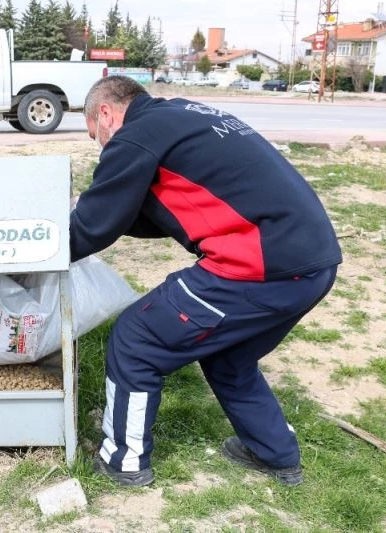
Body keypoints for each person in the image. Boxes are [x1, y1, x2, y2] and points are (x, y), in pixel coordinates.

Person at [69, 76, 342, 487]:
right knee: (227, 354)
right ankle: (275, 455)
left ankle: (123, 463)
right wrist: (102, 216)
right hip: (314, 264)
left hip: (259, 267)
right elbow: (148, 210)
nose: (101, 146)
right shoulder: (182, 115)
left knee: (137, 338)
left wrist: (41, 251)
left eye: (96, 135)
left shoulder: (135, 135)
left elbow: (92, 225)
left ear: (105, 112)